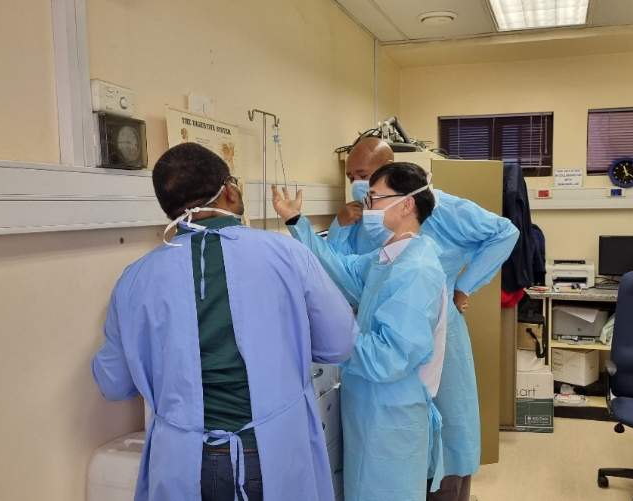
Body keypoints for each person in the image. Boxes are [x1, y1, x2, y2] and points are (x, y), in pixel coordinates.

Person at [91, 143, 359, 501]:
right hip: (272, 455)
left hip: (184, 465)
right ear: (229, 190)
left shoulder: (134, 279)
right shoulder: (287, 254)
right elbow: (340, 344)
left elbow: (114, 384)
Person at [330, 138, 520, 501]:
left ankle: (450, 494)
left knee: (449, 422)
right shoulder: (365, 213)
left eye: (364, 175)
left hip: (436, 325)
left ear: (390, 168)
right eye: (351, 176)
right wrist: (340, 225)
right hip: (386, 327)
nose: (357, 184)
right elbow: (344, 269)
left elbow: (504, 233)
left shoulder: (440, 205)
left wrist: (463, 287)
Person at [271, 162, 448, 501]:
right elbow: (339, 269)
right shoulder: (389, 258)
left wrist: (330, 340)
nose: (367, 208)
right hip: (370, 404)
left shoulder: (416, 270)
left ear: (407, 204)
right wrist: (296, 222)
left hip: (390, 413)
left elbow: (388, 356)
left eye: (374, 199)